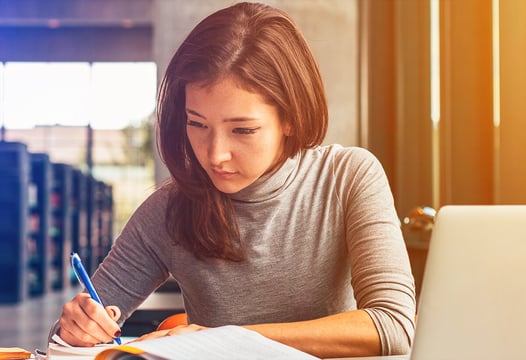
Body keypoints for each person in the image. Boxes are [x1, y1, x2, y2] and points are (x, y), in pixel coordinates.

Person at [49, 2, 416, 358]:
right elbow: (64, 341)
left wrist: (225, 341)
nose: (214, 154)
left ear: (290, 118)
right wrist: (77, 328)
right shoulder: (167, 209)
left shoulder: (347, 177)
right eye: (197, 124)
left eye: (242, 129)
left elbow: (393, 325)